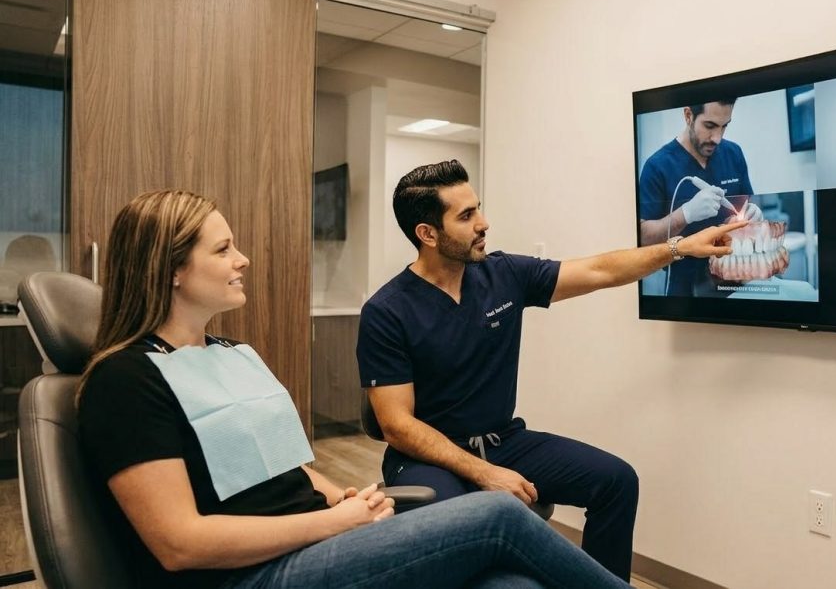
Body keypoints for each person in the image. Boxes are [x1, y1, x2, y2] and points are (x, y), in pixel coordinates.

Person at [77, 189, 635, 589]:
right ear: (171, 269)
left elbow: (283, 468)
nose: (242, 259)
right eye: (222, 250)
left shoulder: (226, 355)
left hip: (312, 538)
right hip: (251, 573)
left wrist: (340, 494)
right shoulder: (125, 380)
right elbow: (179, 544)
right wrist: (334, 522)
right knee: (497, 516)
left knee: (511, 581)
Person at [357, 160, 746, 580]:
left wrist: (680, 248)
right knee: (471, 532)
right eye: (466, 216)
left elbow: (600, 270)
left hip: (502, 440)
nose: (483, 223)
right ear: (427, 234)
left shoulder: (502, 274)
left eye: (479, 209)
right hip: (426, 457)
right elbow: (397, 425)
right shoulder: (387, 311)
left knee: (616, 481)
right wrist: (484, 473)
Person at [638, 100, 761, 296]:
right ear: (688, 116)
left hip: (733, 279)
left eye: (724, 126)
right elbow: (643, 238)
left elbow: (747, 206)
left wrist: (751, 216)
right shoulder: (657, 166)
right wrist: (685, 214)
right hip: (686, 290)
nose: (718, 138)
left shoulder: (734, 153)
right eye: (710, 126)